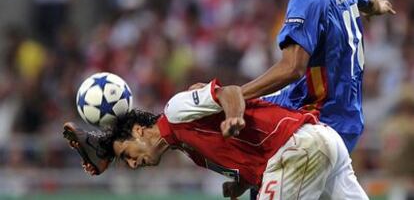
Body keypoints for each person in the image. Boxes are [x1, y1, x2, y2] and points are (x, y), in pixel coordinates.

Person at [233, 0, 396, 153]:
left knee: (236, 109)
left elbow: (292, 68)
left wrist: (238, 95)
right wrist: (378, 6)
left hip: (320, 117)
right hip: (350, 118)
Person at [64, 80, 368, 199]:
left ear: (139, 131)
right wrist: (241, 184)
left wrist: (234, 115)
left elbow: (231, 91)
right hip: (323, 142)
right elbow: (248, 154)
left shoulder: (176, 110)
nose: (132, 164)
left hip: (296, 147)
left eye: (127, 153)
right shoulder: (190, 148)